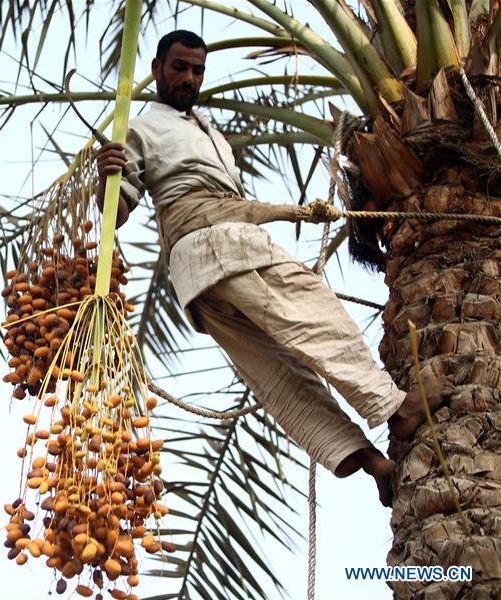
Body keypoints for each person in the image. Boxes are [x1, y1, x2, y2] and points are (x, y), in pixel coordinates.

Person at [95, 30, 451, 507]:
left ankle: (373, 464)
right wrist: (107, 176)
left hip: (198, 281)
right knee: (315, 316)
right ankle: (396, 409)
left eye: (197, 70)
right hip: (219, 247)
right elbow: (116, 214)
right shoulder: (140, 128)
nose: (189, 78)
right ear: (157, 68)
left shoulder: (209, 132)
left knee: (279, 374)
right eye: (179, 67)